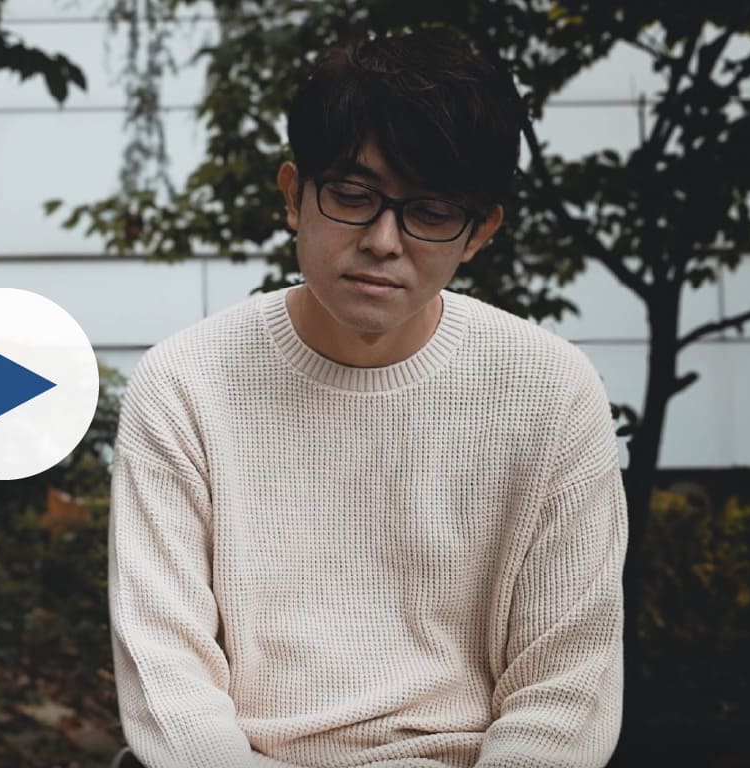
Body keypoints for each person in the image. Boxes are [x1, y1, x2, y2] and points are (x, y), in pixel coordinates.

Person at [108, 31, 625, 768]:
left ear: (479, 233)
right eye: (352, 196)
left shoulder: (551, 392)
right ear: (294, 195)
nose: (384, 240)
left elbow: (564, 694)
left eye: (432, 211)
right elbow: (169, 680)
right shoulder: (185, 384)